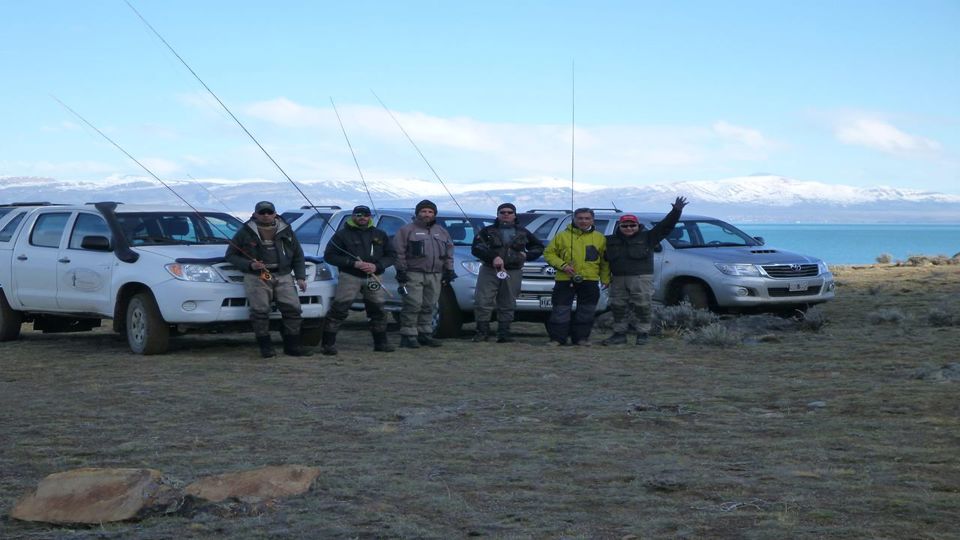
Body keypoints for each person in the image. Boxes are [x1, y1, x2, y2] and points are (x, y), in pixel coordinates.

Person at [226, 200, 312, 358]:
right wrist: (250, 264)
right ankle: (266, 347)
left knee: (293, 310)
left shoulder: (286, 230)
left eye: (269, 212)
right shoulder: (245, 231)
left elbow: (298, 255)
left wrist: (300, 277)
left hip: (284, 275)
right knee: (260, 312)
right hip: (256, 277)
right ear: (255, 214)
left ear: (274, 213)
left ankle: (292, 346)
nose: (266, 215)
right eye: (262, 213)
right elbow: (230, 255)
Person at [602, 197, 688, 346]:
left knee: (642, 306)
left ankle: (643, 334)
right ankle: (619, 334)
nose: (629, 228)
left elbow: (666, 226)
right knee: (618, 306)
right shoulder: (610, 240)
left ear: (638, 225)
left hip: (641, 278)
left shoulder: (649, 237)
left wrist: (676, 211)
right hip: (617, 279)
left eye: (632, 225)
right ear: (620, 226)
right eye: (625, 225)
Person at [321, 205, 397, 355]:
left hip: (374, 277)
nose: (362, 217)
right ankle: (328, 344)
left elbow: (392, 255)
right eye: (358, 215)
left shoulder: (380, 234)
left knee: (378, 309)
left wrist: (377, 266)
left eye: (365, 215)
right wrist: (353, 263)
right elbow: (329, 256)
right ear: (353, 216)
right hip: (350, 276)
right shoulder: (341, 235)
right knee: (339, 309)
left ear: (370, 217)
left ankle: (381, 343)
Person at [470, 203, 544, 342]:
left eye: (509, 212)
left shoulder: (523, 232)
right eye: (502, 212)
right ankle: (482, 332)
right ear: (497, 214)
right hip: (489, 270)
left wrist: (527, 255)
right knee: (482, 301)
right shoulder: (487, 231)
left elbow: (538, 247)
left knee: (508, 302)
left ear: (514, 215)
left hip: (513, 271)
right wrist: (493, 257)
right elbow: (476, 248)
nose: (506, 214)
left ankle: (504, 334)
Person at [392, 199, 456, 349]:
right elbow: (398, 252)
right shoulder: (406, 230)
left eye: (430, 212)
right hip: (413, 273)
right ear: (417, 213)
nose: (427, 214)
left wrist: (449, 270)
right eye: (423, 211)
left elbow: (449, 252)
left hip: (435, 274)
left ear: (434, 214)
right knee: (413, 304)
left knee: (430, 305)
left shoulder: (441, 231)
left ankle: (425, 333)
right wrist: (401, 271)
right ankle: (408, 335)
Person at [543, 208, 610, 346]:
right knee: (561, 310)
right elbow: (549, 254)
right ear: (574, 219)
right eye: (580, 218)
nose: (583, 221)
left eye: (586, 218)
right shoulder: (562, 236)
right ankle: (557, 339)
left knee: (586, 310)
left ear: (592, 220)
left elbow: (605, 261)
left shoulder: (599, 238)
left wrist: (605, 278)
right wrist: (563, 265)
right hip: (565, 279)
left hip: (590, 279)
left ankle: (581, 338)